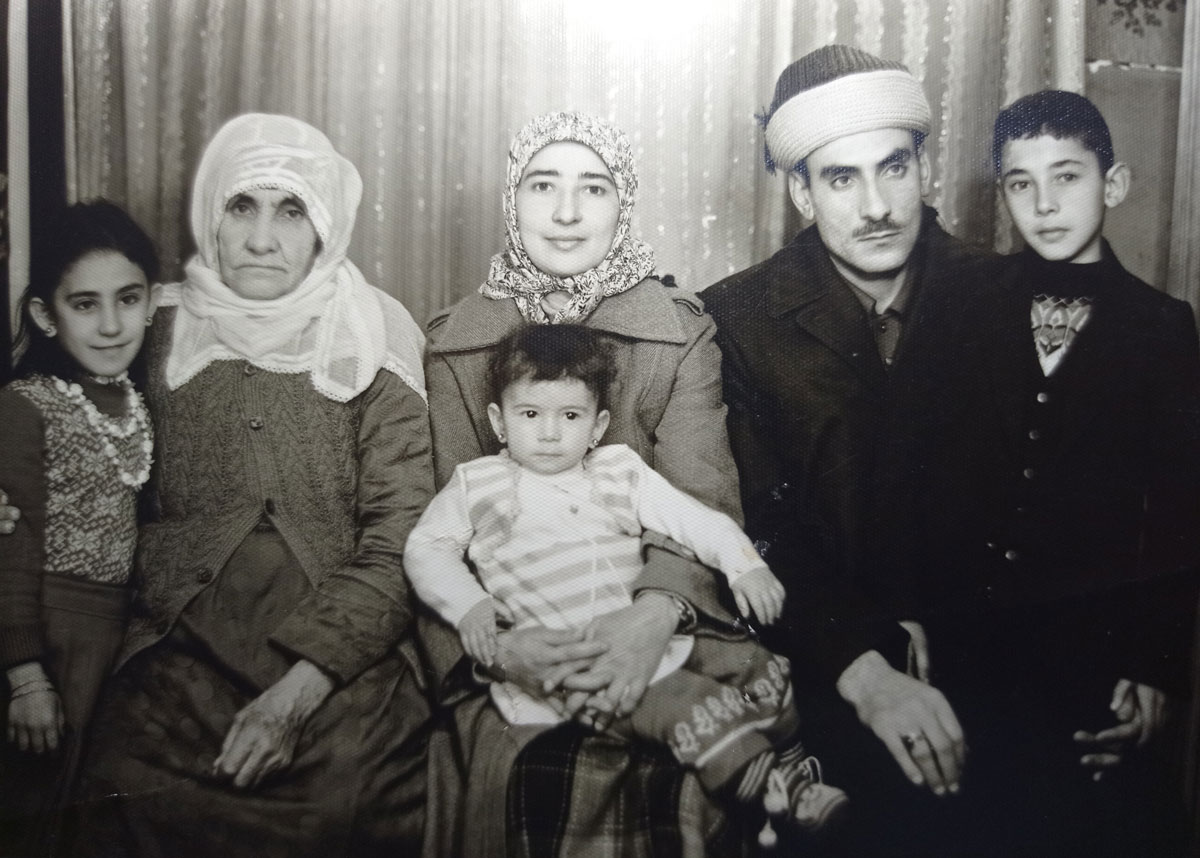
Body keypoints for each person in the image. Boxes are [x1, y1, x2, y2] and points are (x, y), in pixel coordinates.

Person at [31, 114, 433, 857]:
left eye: (291, 211)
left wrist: (299, 694)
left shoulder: (375, 332)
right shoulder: (156, 322)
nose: (261, 239)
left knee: (346, 801)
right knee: (119, 788)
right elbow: (59, 415)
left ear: (325, 226)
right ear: (211, 215)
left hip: (341, 657)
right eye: (241, 206)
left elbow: (401, 534)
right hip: (179, 649)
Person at [421, 111, 755, 856]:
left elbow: (701, 498)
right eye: (543, 185)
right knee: (516, 783)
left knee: (691, 775)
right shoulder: (454, 341)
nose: (566, 213)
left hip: (657, 625)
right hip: (519, 640)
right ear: (513, 199)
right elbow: (440, 532)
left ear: (623, 202)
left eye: (594, 188)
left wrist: (654, 616)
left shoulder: (679, 332)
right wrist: (501, 649)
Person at [883, 89, 1200, 856]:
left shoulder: (1163, 327)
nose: (1045, 204)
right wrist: (904, 611)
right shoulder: (958, 301)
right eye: (1022, 183)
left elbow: (1178, 513)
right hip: (958, 647)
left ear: (1113, 185)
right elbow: (906, 469)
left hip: (1084, 660)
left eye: (1067, 177)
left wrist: (1156, 669)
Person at [699, 44, 991, 855]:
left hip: (996, 668)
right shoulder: (736, 319)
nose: (876, 206)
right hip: (824, 671)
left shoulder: (1002, 292)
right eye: (840, 179)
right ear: (800, 191)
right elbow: (758, 526)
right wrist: (866, 670)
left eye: (893, 167)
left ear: (923, 166)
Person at [408, 323, 847, 843]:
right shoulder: (477, 483)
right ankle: (776, 790)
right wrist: (469, 605)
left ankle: (792, 758)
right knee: (690, 706)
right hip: (574, 663)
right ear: (498, 422)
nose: (549, 433)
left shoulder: (618, 471)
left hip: (647, 638)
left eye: (570, 416)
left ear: (598, 426)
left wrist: (743, 564)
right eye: (530, 415)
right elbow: (426, 548)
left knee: (755, 663)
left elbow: (693, 519)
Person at [0, 201, 160, 857]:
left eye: (128, 299)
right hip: (47, 633)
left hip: (114, 638)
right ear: (46, 315)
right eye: (85, 305)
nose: (111, 325)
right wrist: (26, 677)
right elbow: (12, 551)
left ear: (152, 303)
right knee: (34, 811)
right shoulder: (27, 404)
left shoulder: (140, 398)